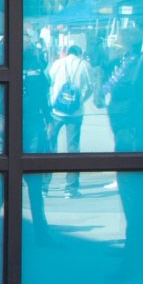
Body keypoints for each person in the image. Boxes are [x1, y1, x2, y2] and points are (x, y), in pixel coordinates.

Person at [47, 42, 95, 194]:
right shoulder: (85, 65)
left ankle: (44, 185)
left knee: (49, 145)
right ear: (80, 54)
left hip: (57, 111)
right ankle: (71, 187)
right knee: (73, 147)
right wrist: (82, 100)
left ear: (67, 53)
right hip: (76, 112)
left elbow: (49, 80)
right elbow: (90, 87)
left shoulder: (58, 63)